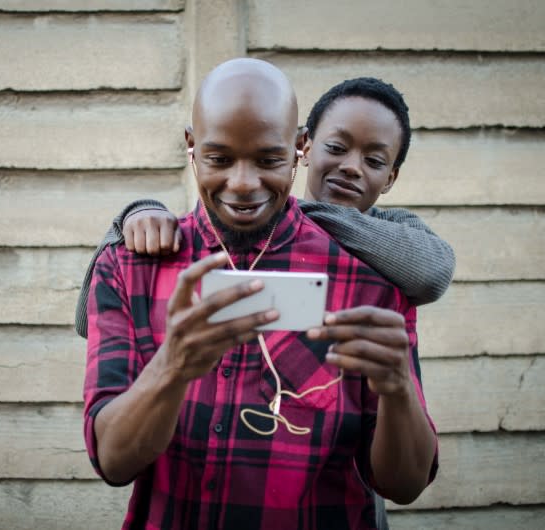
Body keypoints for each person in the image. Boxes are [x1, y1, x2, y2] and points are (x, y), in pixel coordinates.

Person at [83, 58, 437, 529]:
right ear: (192, 146)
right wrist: (172, 368)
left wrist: (398, 391)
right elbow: (112, 462)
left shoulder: (370, 277)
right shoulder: (131, 266)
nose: (244, 184)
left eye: (269, 160)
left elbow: (405, 485)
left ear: (299, 149)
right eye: (219, 158)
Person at [73, 77, 455, 342]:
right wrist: (134, 214)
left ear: (391, 178)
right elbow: (88, 320)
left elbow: (432, 270)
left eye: (374, 161)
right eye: (336, 149)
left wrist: (301, 212)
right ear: (304, 149)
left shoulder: (391, 234)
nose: (352, 167)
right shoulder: (246, 219)